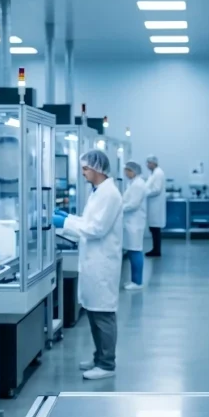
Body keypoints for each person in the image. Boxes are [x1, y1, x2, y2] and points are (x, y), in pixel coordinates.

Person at [53, 150, 123, 380]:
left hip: (102, 264)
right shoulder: (99, 193)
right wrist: (69, 219)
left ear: (97, 169)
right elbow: (88, 222)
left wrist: (65, 223)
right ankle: (99, 357)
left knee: (103, 314)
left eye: (85, 168)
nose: (83, 173)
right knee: (94, 313)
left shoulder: (109, 194)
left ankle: (107, 364)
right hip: (94, 262)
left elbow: (96, 229)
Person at [121, 161, 148, 290]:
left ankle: (137, 282)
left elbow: (133, 204)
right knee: (133, 250)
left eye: (127, 170)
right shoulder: (133, 183)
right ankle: (135, 280)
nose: (125, 173)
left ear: (133, 171)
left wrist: (119, 208)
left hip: (135, 222)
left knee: (135, 250)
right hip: (131, 222)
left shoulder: (138, 185)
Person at [144, 155, 166, 257]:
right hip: (152, 204)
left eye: (149, 163)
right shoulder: (153, 173)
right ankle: (155, 249)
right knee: (153, 228)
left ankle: (157, 251)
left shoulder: (158, 173)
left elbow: (157, 189)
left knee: (155, 229)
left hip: (156, 205)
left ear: (154, 163)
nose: (147, 165)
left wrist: (145, 192)